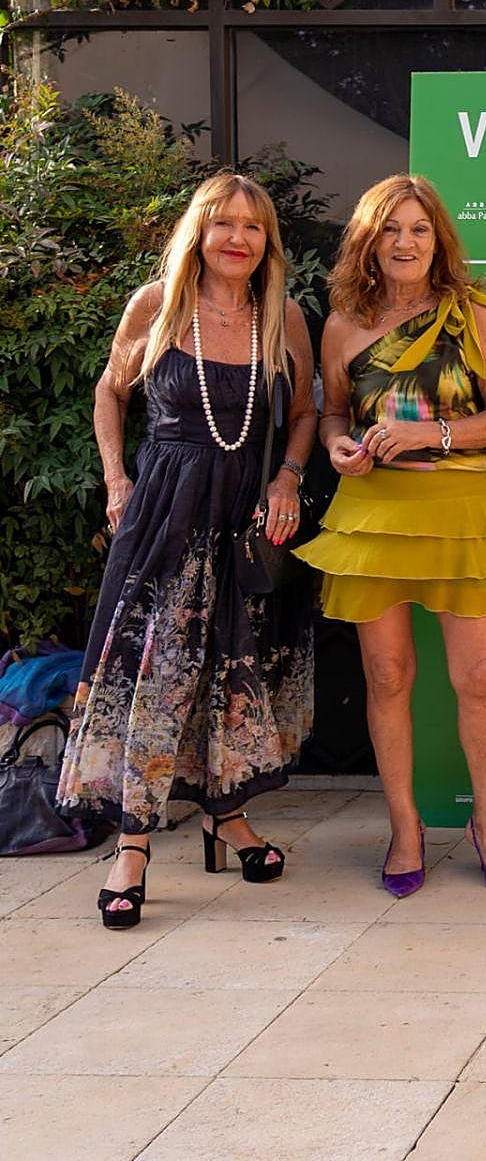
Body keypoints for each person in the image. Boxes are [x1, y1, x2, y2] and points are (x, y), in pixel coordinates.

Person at [61, 172, 315, 930]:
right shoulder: (158, 305)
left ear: (268, 241)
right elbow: (111, 392)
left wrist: (289, 478)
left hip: (245, 523)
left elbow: (306, 413)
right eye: (222, 224)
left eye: (253, 227)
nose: (237, 239)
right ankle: (132, 845)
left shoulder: (285, 318)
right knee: (155, 672)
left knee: (230, 672)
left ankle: (224, 816)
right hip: (164, 515)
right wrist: (115, 480)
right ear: (198, 233)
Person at [294, 175, 486, 898]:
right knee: (387, 678)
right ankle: (405, 828)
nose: (405, 242)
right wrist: (336, 446)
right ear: (368, 239)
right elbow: (330, 415)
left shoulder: (472, 311)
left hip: (459, 512)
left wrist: (430, 433)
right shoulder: (340, 321)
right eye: (391, 229)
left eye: (419, 229)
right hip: (372, 516)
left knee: (480, 680)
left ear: (438, 239)